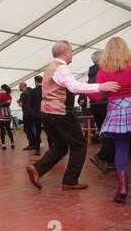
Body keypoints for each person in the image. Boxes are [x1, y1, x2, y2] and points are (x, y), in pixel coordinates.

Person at [26, 40, 119, 191]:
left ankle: (37, 168)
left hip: (47, 113)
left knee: (61, 146)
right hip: (60, 112)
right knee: (79, 145)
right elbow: (74, 87)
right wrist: (101, 86)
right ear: (67, 52)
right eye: (72, 52)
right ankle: (70, 181)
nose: (72, 54)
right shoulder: (61, 68)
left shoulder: (49, 67)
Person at [87, 37, 130, 203]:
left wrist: (85, 89)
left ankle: (123, 187)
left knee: (121, 149)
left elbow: (97, 97)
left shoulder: (103, 71)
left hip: (117, 111)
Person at [87, 50, 116, 173]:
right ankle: (103, 157)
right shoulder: (105, 70)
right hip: (105, 102)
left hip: (95, 105)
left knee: (104, 132)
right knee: (113, 131)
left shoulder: (91, 72)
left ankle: (109, 160)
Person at [0, 84, 15, 150]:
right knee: (8, 128)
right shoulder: (9, 95)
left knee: (2, 130)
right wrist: (5, 102)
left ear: (2, 88)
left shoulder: (0, 94)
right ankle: (12, 143)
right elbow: (8, 103)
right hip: (7, 113)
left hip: (0, 113)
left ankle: (3, 145)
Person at [18, 83, 36, 150]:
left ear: (23, 86)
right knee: (31, 129)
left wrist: (18, 101)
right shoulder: (30, 93)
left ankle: (31, 144)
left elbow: (20, 104)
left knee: (27, 129)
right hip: (32, 113)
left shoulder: (23, 94)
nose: (19, 87)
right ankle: (34, 143)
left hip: (27, 113)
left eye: (20, 86)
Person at [29, 76, 44, 156]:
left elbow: (30, 104)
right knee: (49, 131)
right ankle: (52, 148)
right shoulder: (46, 89)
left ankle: (37, 149)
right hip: (45, 113)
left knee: (38, 132)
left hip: (36, 113)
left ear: (35, 81)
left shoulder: (32, 91)